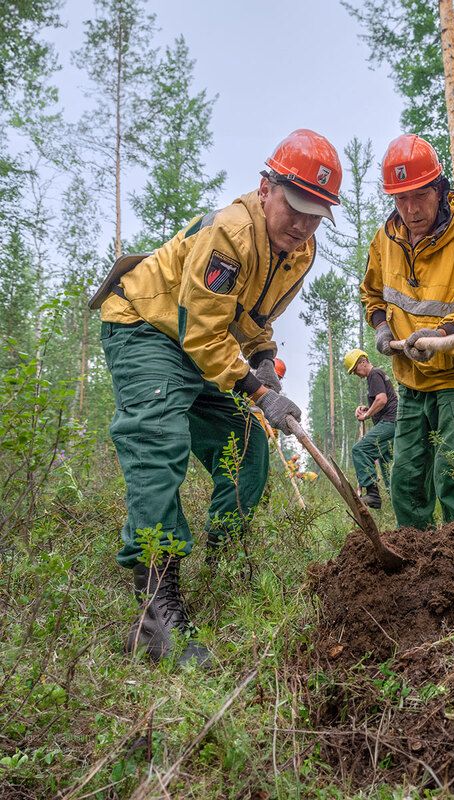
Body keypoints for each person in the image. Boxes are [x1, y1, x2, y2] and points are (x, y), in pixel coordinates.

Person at [95, 129, 341, 665]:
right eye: (294, 206)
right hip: (147, 328)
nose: (301, 224)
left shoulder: (301, 252)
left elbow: (251, 318)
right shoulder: (231, 234)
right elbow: (203, 333)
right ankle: (156, 613)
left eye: (315, 214)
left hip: (202, 341)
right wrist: (254, 385)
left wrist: (263, 364)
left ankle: (226, 562)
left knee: (248, 444)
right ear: (266, 188)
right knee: (159, 437)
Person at [360, 134, 454, 529]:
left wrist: (442, 336)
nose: (411, 209)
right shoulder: (384, 241)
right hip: (412, 380)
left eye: (419, 195)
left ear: (439, 190)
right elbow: (371, 294)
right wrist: (382, 328)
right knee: (405, 479)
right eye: (400, 199)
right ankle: (418, 569)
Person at [343, 349, 397, 509]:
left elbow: (381, 400)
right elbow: (382, 402)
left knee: (360, 450)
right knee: (388, 468)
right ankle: (398, 507)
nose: (355, 374)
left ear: (363, 362)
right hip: (392, 422)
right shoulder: (376, 376)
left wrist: (366, 416)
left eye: (355, 370)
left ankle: (373, 495)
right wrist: (367, 409)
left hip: (389, 422)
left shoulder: (374, 374)